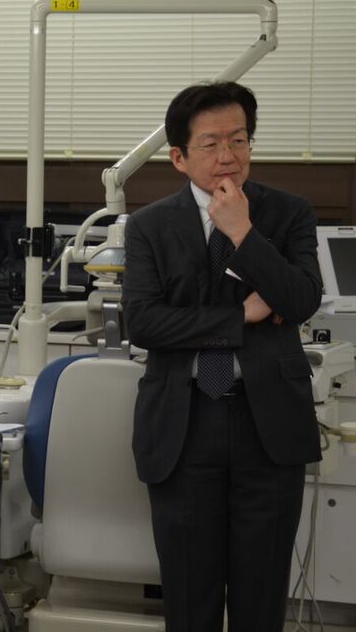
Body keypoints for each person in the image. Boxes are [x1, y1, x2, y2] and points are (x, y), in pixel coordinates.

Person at [122, 81, 322, 631]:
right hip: (183, 424)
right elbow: (145, 323)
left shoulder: (289, 213)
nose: (228, 155)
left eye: (239, 139)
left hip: (268, 425)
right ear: (179, 157)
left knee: (261, 600)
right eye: (210, 144)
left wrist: (243, 232)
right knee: (190, 601)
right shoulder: (148, 226)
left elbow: (301, 300)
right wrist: (244, 316)